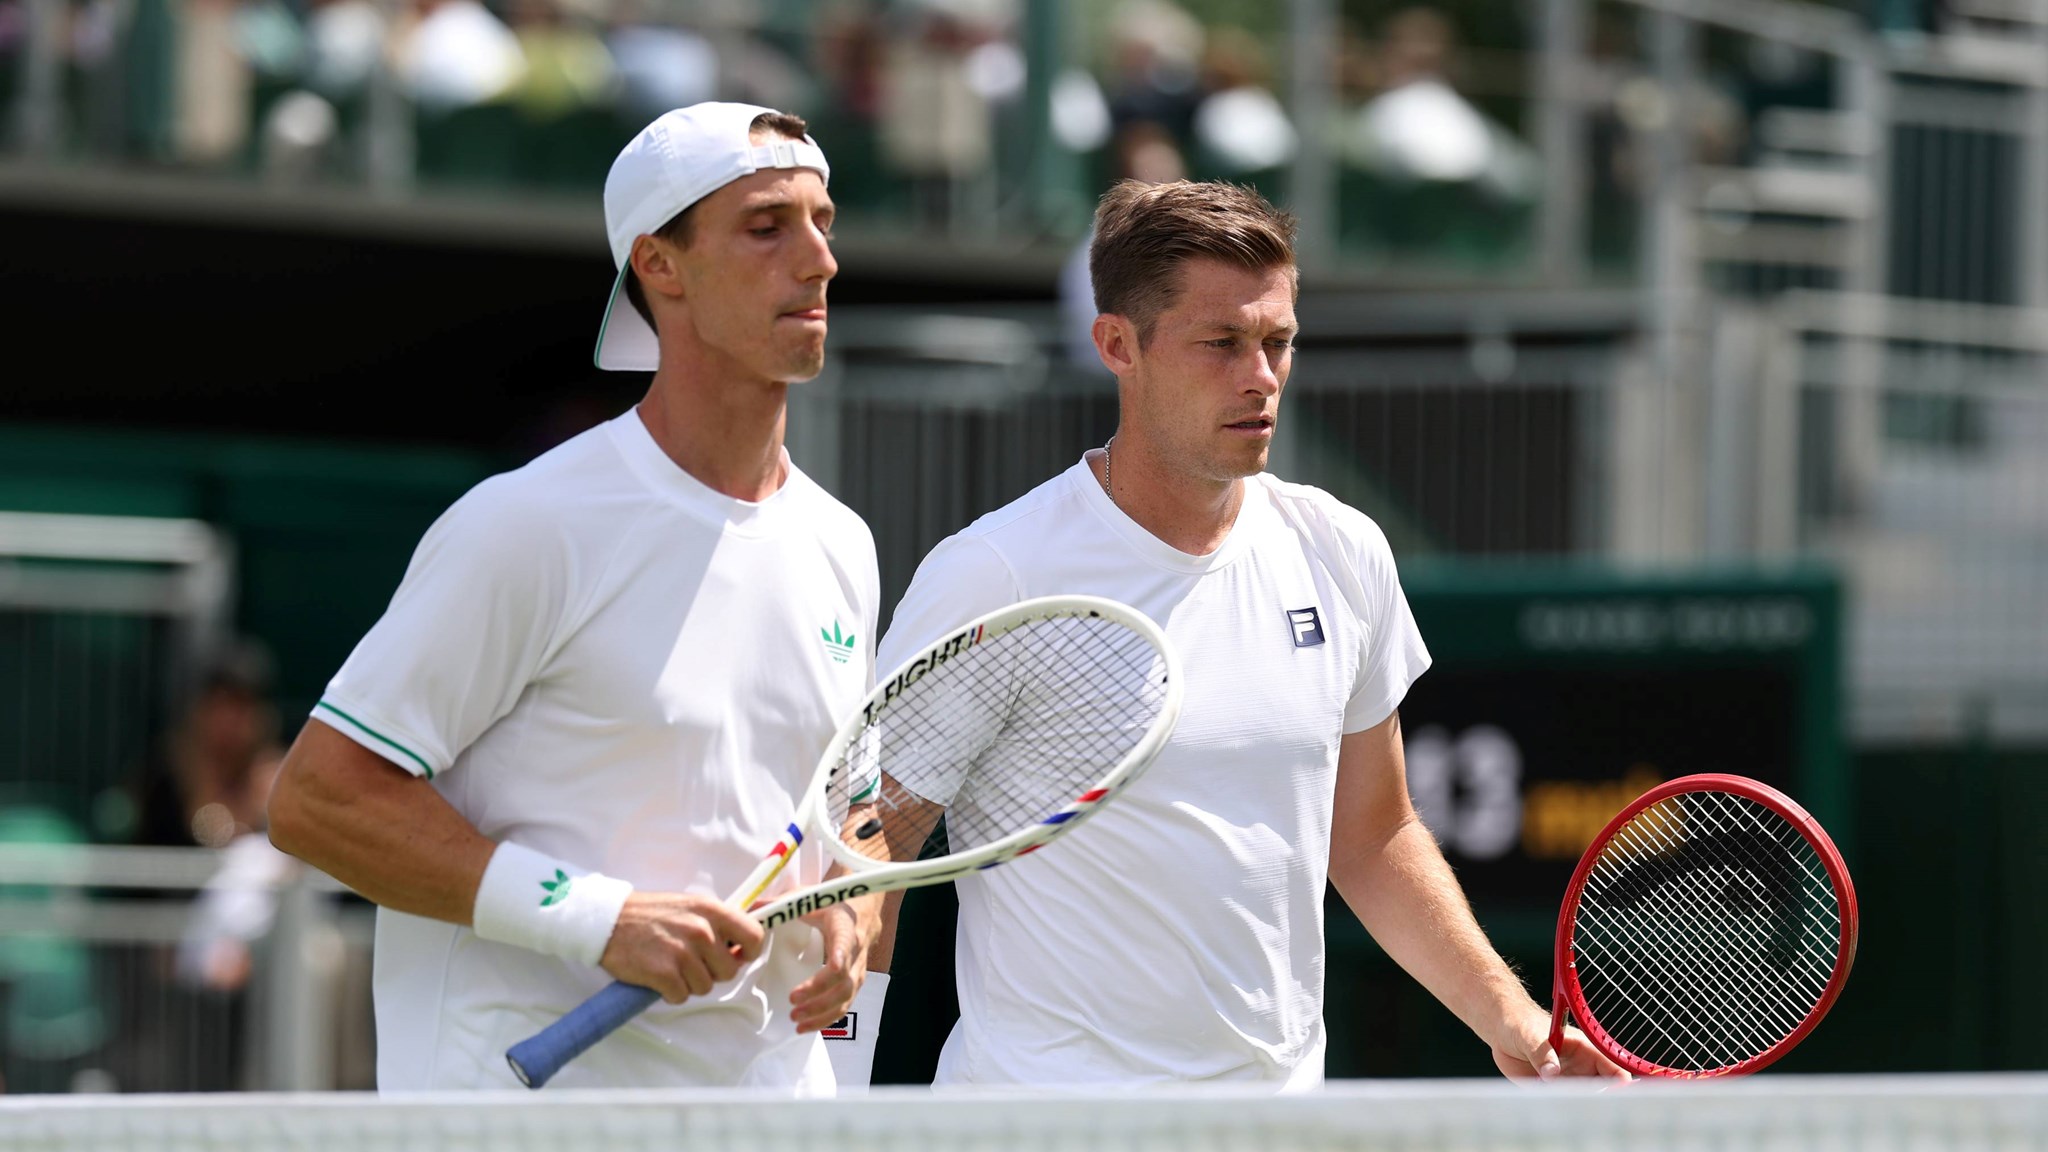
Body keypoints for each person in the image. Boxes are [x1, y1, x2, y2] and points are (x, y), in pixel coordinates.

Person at [876, 179, 1628, 1087]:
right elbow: (869, 847)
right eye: (1222, 343)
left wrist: (1511, 1018)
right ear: (1117, 345)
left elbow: (1373, 834)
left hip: (1278, 1125)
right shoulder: (995, 573)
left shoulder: (1340, 549)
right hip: (1047, 1128)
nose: (1261, 376)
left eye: (1278, 342)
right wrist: (833, 1094)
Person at [266, 102, 883, 1092]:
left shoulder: (841, 543)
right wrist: (601, 919)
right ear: (660, 265)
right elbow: (319, 801)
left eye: (823, 223)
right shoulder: (529, 524)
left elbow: (849, 810)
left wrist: (852, 903)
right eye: (767, 227)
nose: (819, 261)